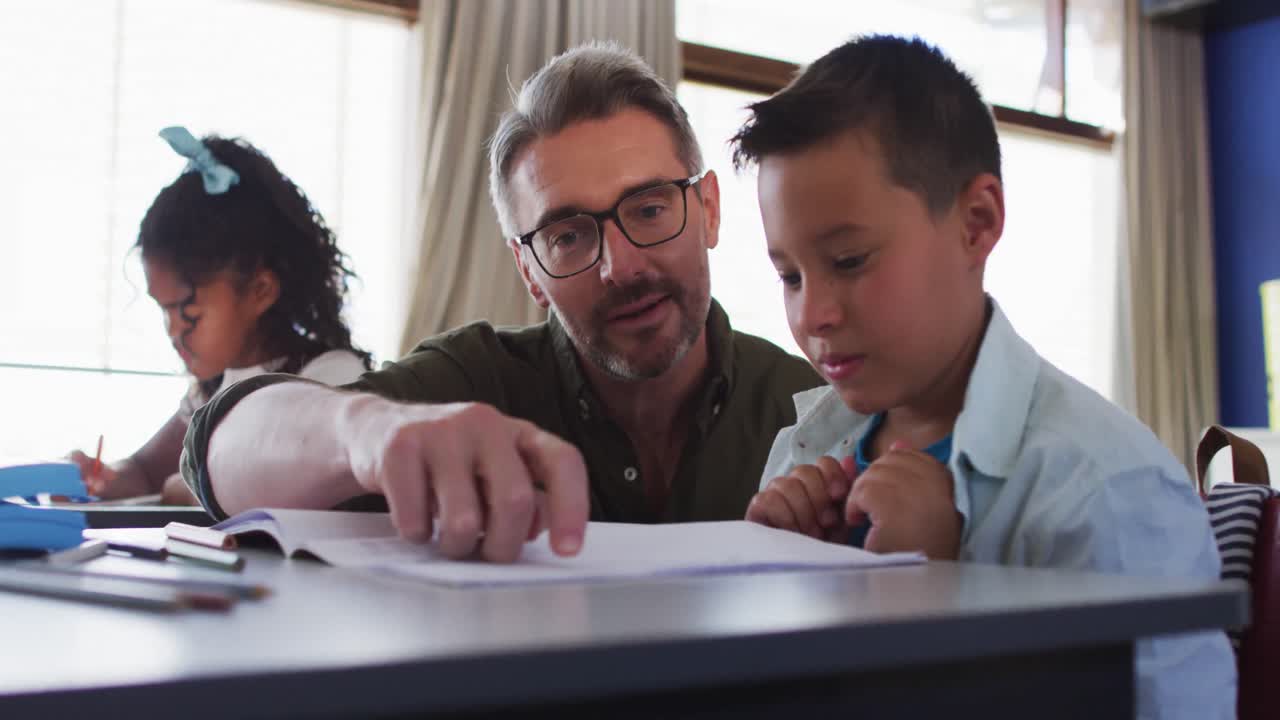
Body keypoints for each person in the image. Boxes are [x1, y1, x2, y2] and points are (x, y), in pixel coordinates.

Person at [734, 35, 1234, 719]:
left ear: (977, 223)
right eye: (789, 275)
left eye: (849, 260)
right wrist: (779, 585)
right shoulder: (802, 454)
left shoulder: (1106, 492)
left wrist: (942, 595)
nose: (812, 313)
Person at [178, 42, 822, 561]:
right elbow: (218, 450)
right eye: (568, 236)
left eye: (650, 208)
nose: (620, 266)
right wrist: (365, 430)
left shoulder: (814, 406)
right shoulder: (473, 385)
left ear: (707, 209)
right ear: (528, 269)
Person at [68, 127, 371, 504]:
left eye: (187, 312)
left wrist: (186, 488)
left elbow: (295, 485)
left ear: (260, 291)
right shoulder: (211, 390)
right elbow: (146, 470)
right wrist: (102, 478)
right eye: (164, 310)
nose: (173, 331)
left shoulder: (329, 378)